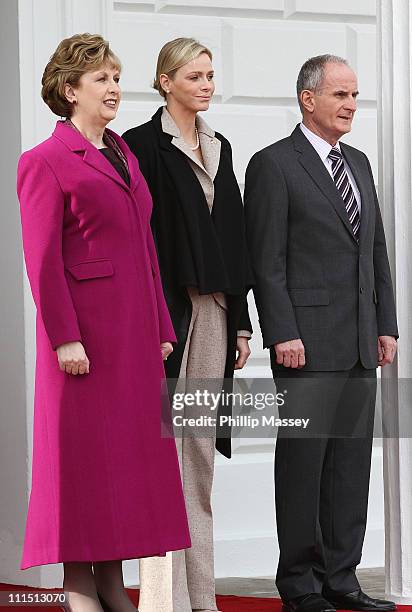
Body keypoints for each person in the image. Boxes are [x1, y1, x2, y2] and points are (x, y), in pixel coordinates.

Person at [17, 33, 190, 612]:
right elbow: (41, 265)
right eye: (102, 80)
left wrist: (163, 326)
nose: (115, 88)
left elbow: (146, 249)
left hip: (132, 343)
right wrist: (65, 338)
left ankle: (114, 590)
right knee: (85, 476)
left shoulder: (122, 151)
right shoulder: (42, 162)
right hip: (83, 346)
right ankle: (83, 592)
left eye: (117, 78)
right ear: (70, 91)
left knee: (125, 476)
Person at [244, 54, 398, 612]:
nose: (351, 105)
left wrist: (387, 324)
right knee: (304, 468)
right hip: (304, 344)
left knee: (350, 469)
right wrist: (281, 330)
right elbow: (267, 261)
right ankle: (301, 586)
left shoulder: (357, 162)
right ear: (308, 98)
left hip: (359, 341)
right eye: (340, 95)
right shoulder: (273, 165)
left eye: (355, 95)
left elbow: (375, 249)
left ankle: (343, 580)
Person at [122, 37, 254, 612]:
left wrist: (243, 323)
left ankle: (201, 597)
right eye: (195, 75)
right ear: (165, 80)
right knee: (162, 456)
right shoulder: (138, 148)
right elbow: (138, 246)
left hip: (216, 313)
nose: (207, 84)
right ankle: (162, 599)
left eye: (210, 75)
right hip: (166, 317)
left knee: (197, 454)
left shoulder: (220, 145)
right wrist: (150, 324)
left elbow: (235, 239)